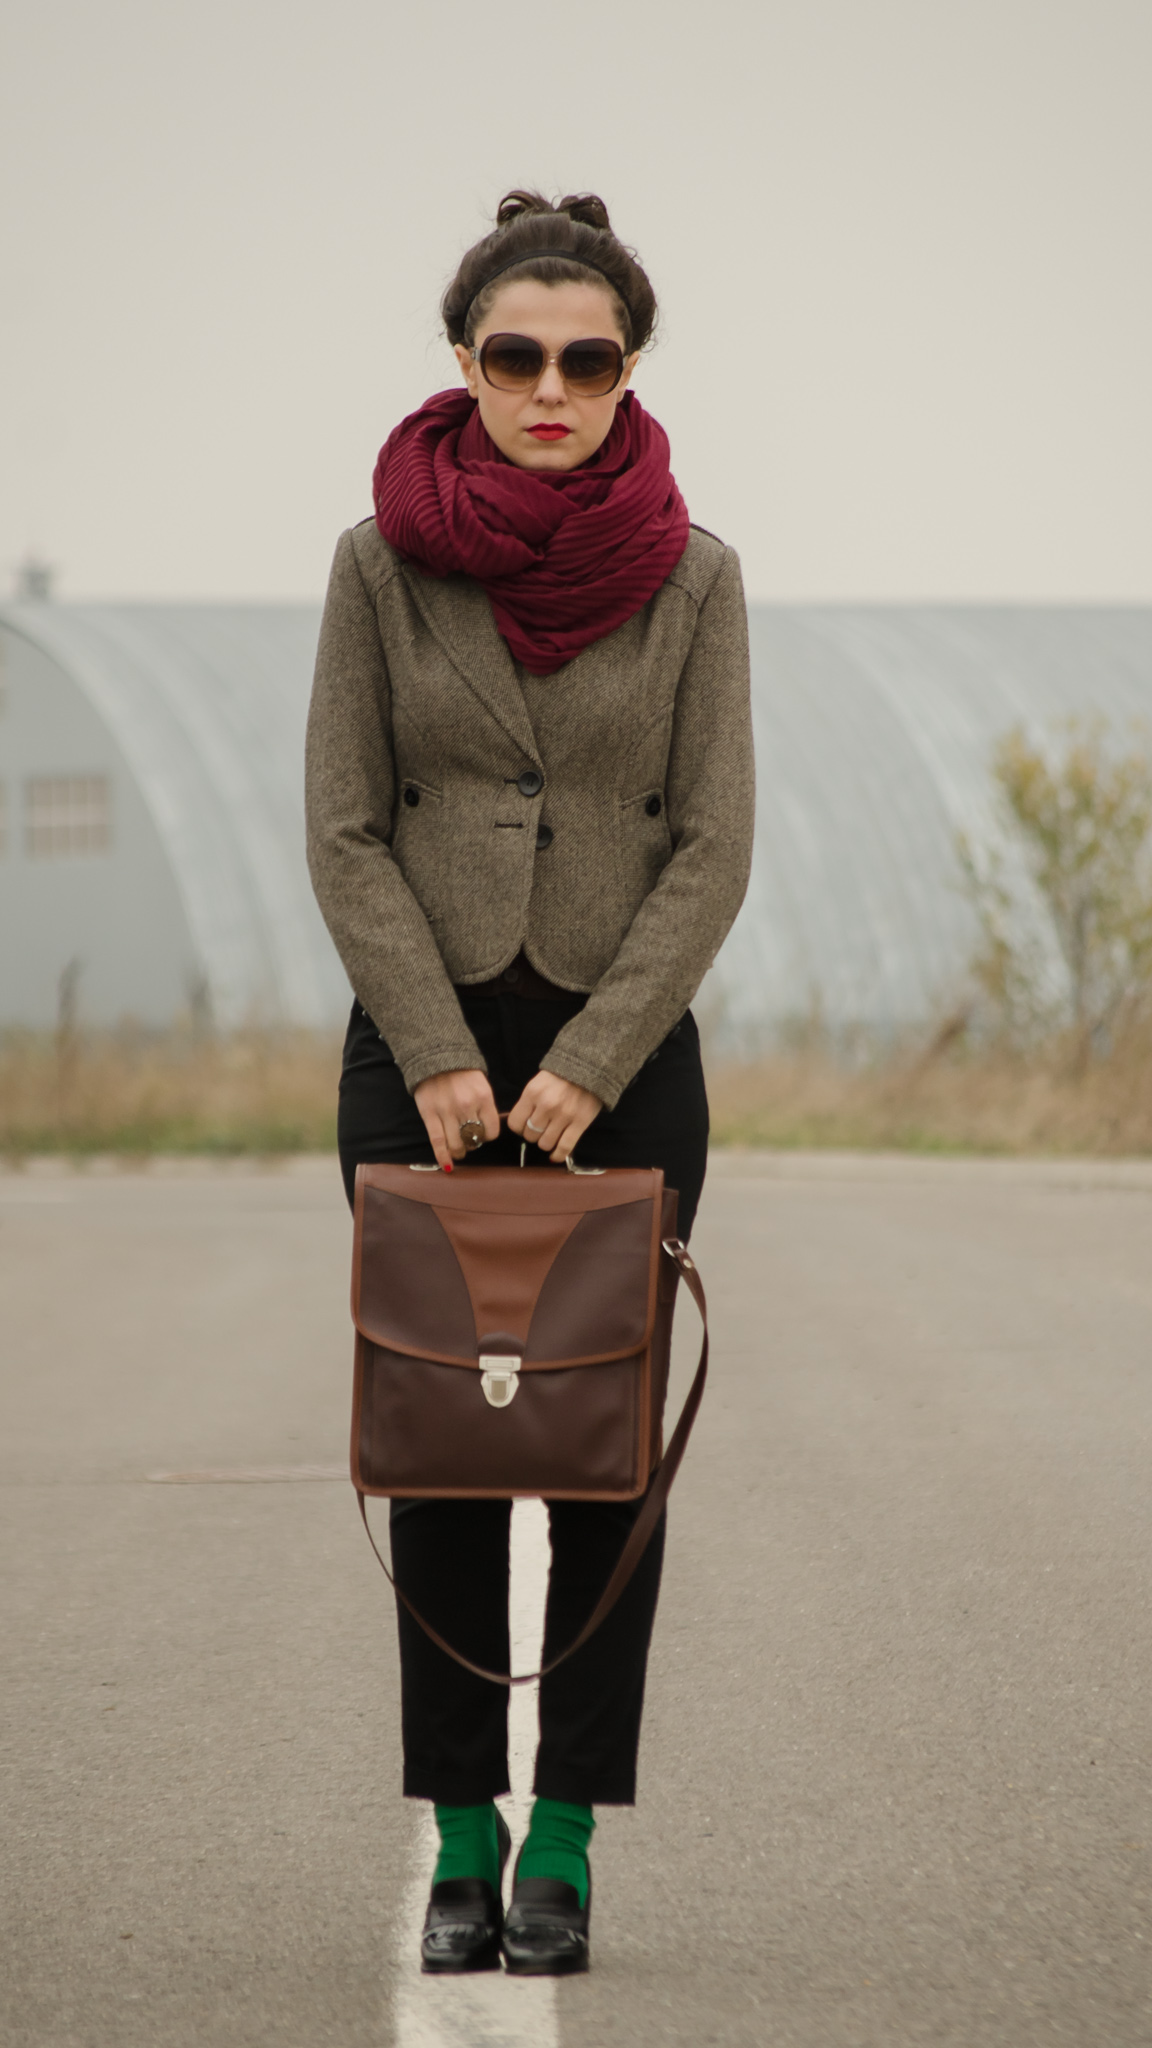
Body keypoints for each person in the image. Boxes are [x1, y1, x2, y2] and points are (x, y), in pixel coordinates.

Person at [305, 188, 753, 1977]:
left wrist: (581, 1064)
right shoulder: (374, 565)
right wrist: (431, 1051)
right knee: (442, 1459)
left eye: (586, 358)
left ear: (628, 367)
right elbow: (344, 829)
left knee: (592, 1465)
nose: (549, 387)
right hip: (415, 1060)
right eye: (516, 355)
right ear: (465, 365)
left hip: (620, 1066)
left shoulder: (700, 573)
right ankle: (461, 1836)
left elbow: (711, 849)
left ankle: (563, 1831)